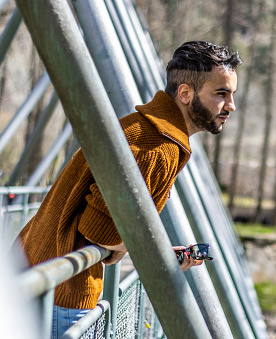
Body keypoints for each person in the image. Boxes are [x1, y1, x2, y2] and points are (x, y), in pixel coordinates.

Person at [15, 41, 241, 338]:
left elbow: (111, 230)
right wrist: (134, 245)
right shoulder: (155, 146)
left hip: (40, 275)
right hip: (62, 292)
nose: (231, 106)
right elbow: (101, 231)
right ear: (186, 94)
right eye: (221, 94)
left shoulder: (148, 130)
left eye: (232, 94)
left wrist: (154, 251)